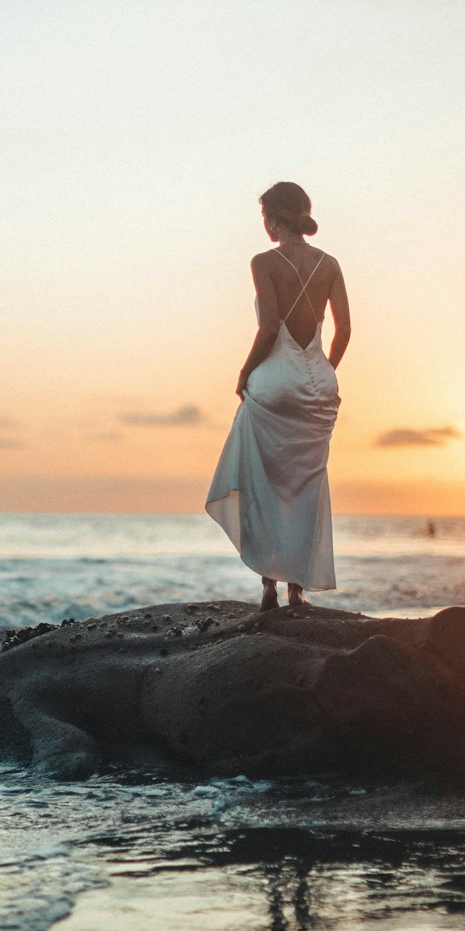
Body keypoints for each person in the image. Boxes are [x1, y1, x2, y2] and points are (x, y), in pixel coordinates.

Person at [206, 182, 350, 611]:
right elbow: (344, 331)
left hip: (275, 380)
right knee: (306, 484)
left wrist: (245, 371)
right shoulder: (330, 263)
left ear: (273, 217)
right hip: (318, 383)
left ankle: (269, 585)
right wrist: (323, 371)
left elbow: (269, 327)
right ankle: (297, 591)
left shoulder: (265, 261)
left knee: (261, 480)